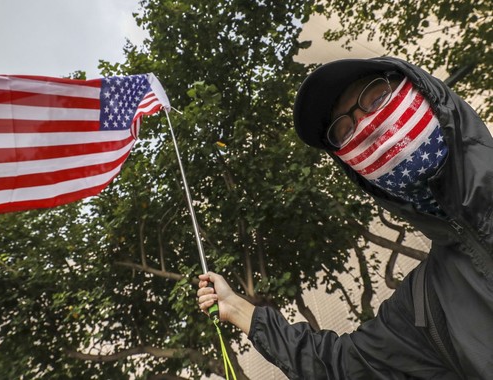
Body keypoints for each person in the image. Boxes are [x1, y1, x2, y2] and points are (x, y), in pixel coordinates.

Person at [197, 57, 493, 379]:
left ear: (423, 92)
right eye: (344, 130)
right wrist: (239, 309)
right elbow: (339, 364)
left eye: (377, 97)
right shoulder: (426, 306)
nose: (366, 127)